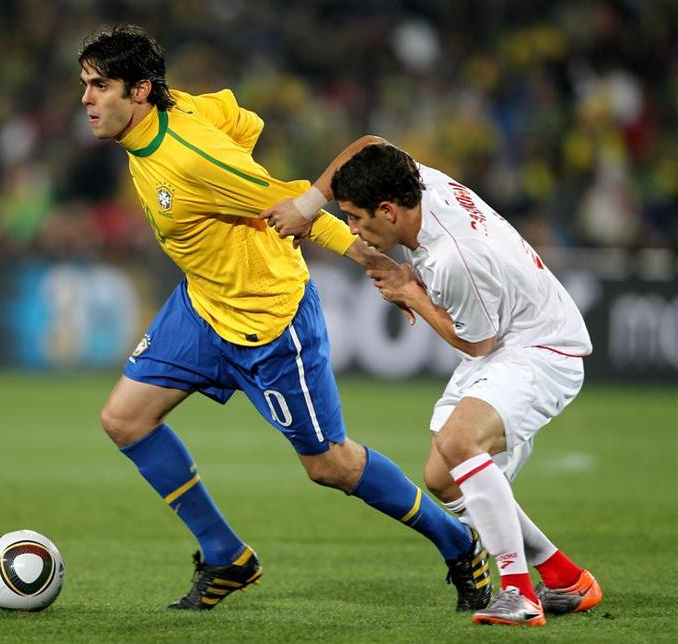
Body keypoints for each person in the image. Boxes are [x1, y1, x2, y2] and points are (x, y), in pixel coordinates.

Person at [77, 25, 492, 612]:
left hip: (269, 320)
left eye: (100, 86)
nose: (87, 99)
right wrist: (237, 164)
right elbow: (241, 118)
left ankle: (459, 543)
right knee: (124, 420)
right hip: (202, 306)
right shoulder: (170, 120)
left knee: (330, 465)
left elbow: (292, 203)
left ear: (140, 90)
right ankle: (225, 556)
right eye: (85, 85)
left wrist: (374, 261)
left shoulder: (191, 157)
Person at [263, 138, 603, 626]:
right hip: (513, 337)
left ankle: (519, 593)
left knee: (460, 442)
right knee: (442, 477)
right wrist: (308, 204)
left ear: (388, 211)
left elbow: (478, 344)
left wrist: (411, 293)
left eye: (355, 218)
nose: (353, 230)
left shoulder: (454, 258)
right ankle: (564, 576)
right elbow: (370, 144)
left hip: (541, 348)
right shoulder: (419, 181)